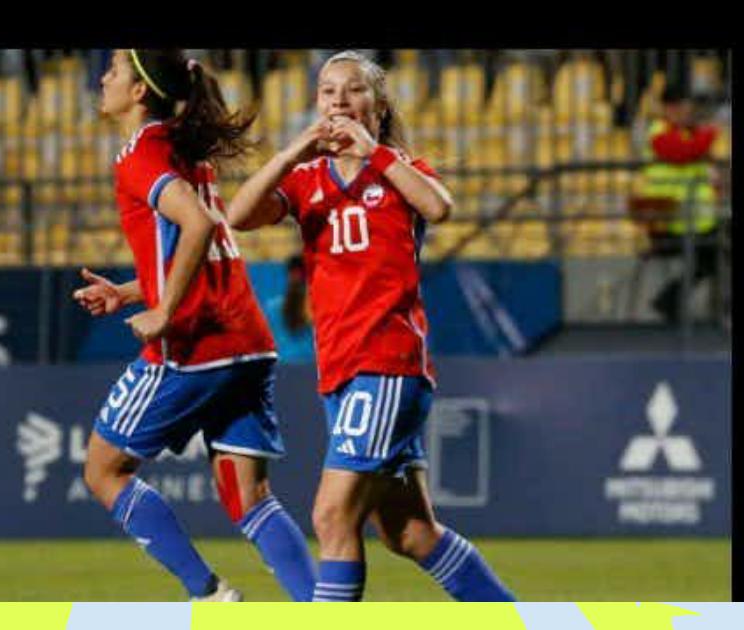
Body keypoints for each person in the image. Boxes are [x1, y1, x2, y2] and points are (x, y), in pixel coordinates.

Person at [226, 50, 516, 602]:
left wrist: (375, 153)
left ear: (377, 106)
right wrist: (290, 152)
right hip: (341, 369)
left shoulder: (399, 170)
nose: (338, 100)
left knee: (332, 516)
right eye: (327, 91)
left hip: (384, 363)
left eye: (353, 90)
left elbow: (438, 207)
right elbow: (237, 216)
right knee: (410, 533)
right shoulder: (308, 180)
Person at [73, 49, 316, 602]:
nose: (103, 78)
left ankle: (207, 594)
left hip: (194, 348)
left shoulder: (141, 155)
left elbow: (200, 223)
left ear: (139, 92)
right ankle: (323, 613)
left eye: (114, 69)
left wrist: (161, 312)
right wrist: (131, 292)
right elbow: (193, 246)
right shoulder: (185, 152)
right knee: (250, 500)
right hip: (248, 343)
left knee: (103, 470)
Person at [638, 84, 723, 324]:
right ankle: (672, 301)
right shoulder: (658, 133)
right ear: (670, 108)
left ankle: (670, 301)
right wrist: (711, 133)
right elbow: (682, 153)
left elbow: (703, 168)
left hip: (695, 222)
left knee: (717, 252)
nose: (690, 113)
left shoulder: (688, 132)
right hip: (667, 224)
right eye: (686, 108)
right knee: (716, 254)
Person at [261, 255, 316, 363]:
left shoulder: (272, 307)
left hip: (292, 366)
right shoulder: (273, 308)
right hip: (291, 366)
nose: (296, 277)